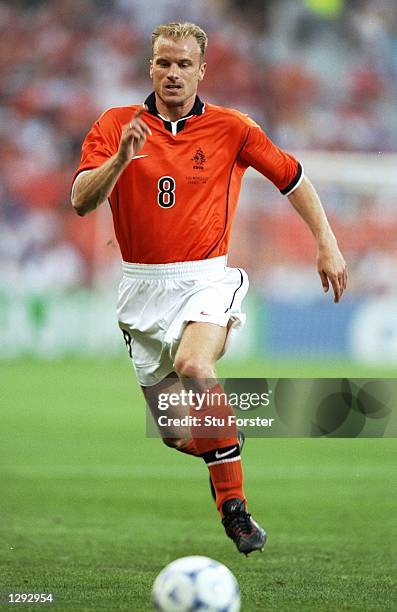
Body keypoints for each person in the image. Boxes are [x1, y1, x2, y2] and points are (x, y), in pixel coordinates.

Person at [71, 22, 347, 555]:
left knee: (197, 367)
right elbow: (82, 200)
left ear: (202, 70)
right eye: (162, 63)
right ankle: (224, 441)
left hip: (205, 278)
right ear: (149, 67)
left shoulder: (232, 128)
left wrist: (326, 243)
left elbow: (293, 177)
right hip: (140, 289)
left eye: (183, 64)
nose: (172, 73)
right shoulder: (113, 126)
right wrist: (120, 159)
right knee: (176, 434)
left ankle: (235, 511)